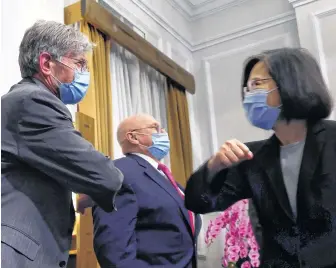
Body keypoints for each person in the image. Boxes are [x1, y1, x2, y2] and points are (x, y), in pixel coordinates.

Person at [184, 48, 336, 268]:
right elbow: (198, 202)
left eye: (257, 84)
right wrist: (214, 166)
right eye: (247, 88)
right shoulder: (252, 157)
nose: (248, 95)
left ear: (290, 83)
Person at [1, 20, 123, 268]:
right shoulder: (34, 102)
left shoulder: (20, 101)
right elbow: (105, 176)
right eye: (79, 64)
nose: (85, 74)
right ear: (47, 64)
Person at [92, 114, 202, 268]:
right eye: (155, 128)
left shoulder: (164, 177)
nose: (163, 132)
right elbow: (114, 249)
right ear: (133, 137)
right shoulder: (119, 172)